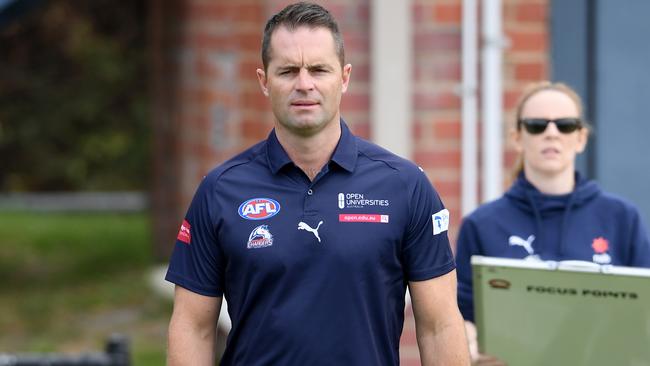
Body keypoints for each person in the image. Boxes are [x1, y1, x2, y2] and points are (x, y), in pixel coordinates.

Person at [165, 2, 470, 365]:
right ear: (264, 81)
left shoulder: (405, 187)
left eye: (319, 69)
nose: (304, 84)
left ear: (344, 77)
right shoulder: (220, 191)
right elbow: (192, 326)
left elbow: (439, 326)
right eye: (288, 71)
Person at [455, 81, 650, 364]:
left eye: (565, 125)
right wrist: (470, 346)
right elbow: (462, 315)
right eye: (536, 125)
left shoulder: (622, 218)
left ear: (581, 138)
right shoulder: (482, 224)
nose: (551, 133)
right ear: (517, 138)